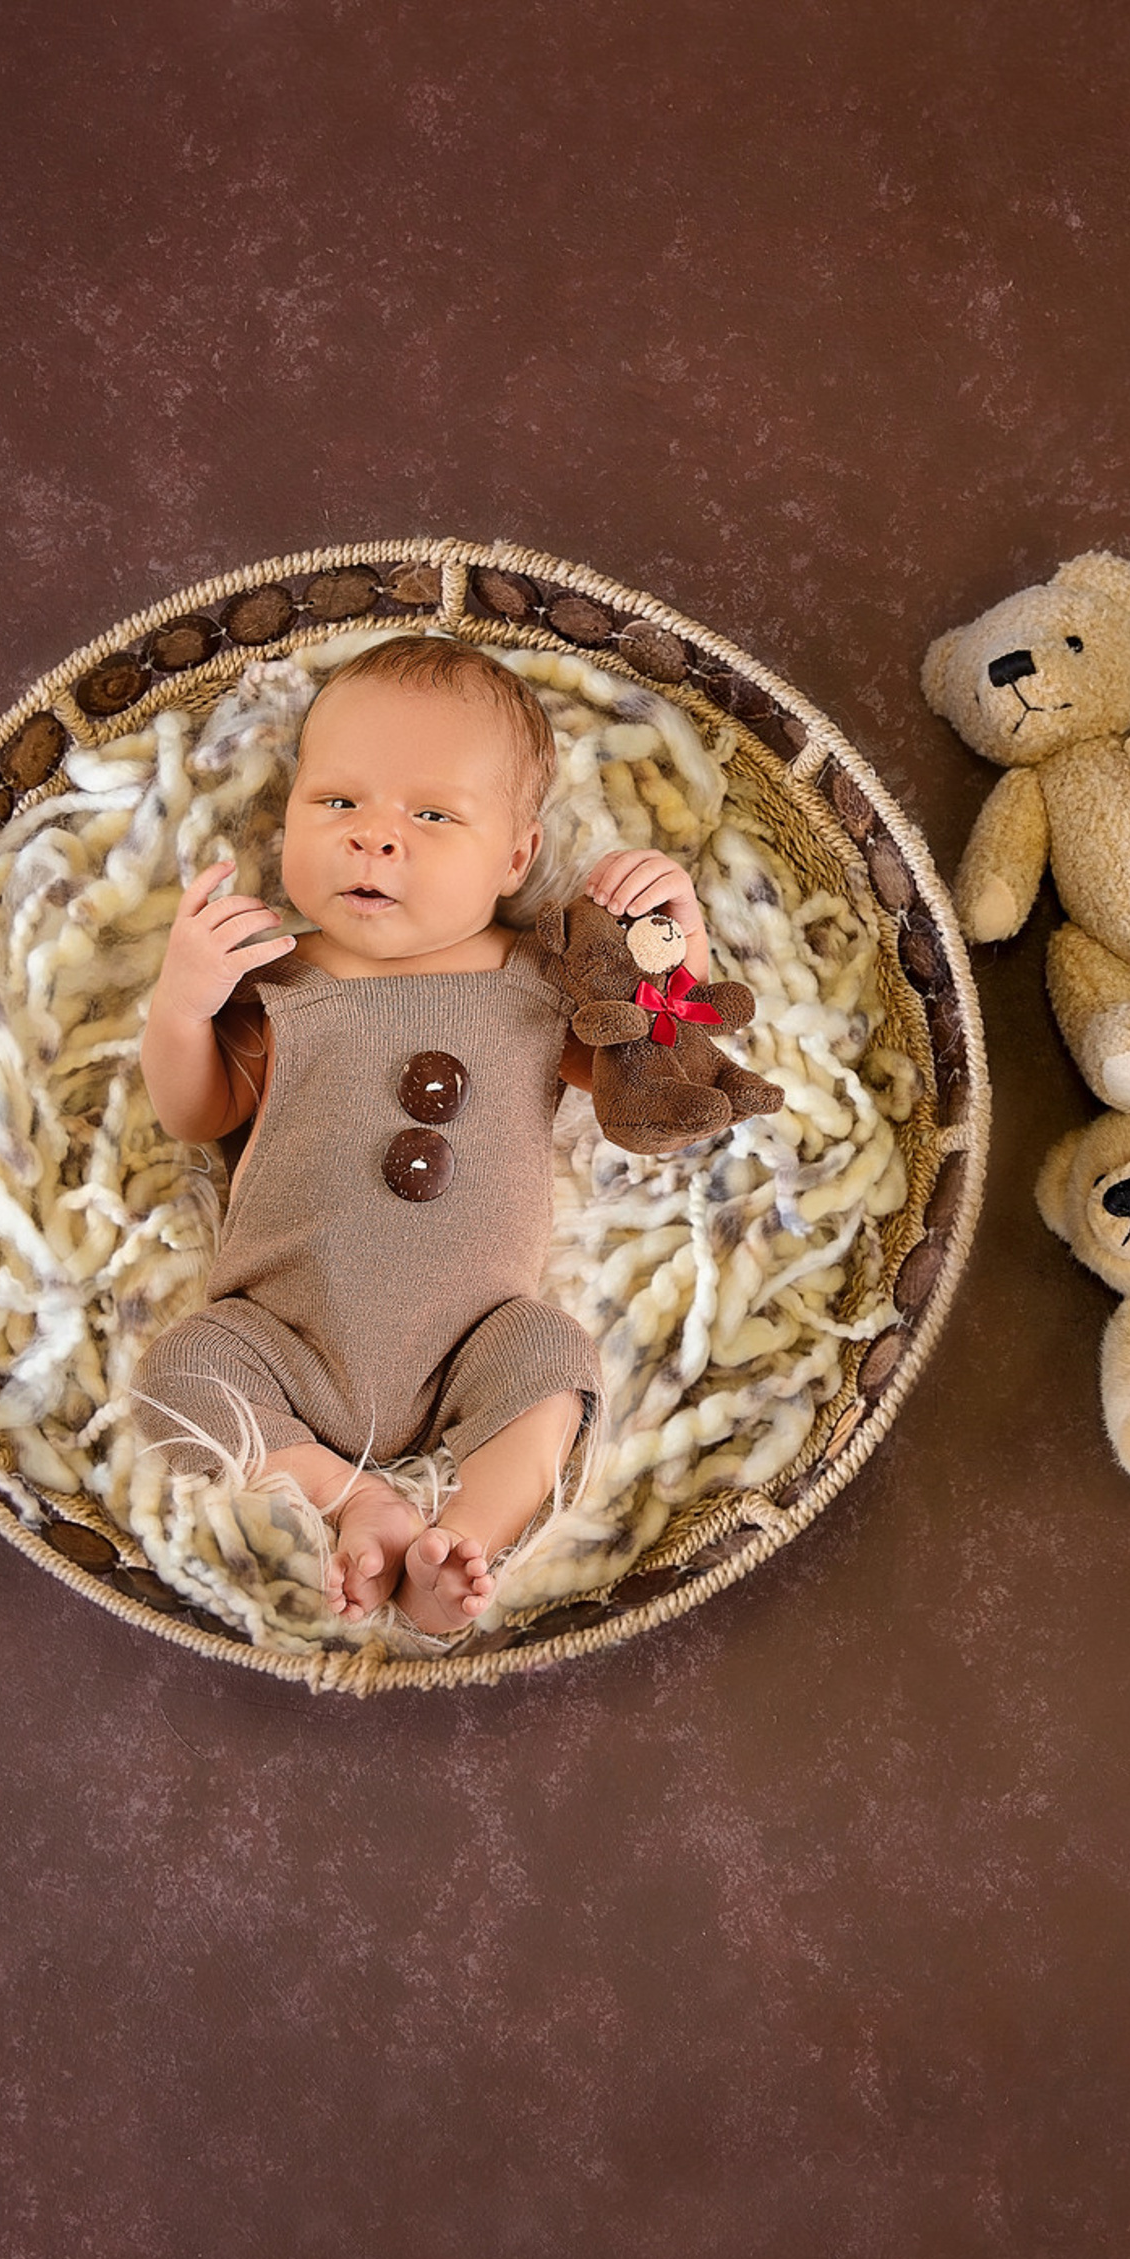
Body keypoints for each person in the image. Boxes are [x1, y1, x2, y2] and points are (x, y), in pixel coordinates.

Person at [131, 635, 711, 1635]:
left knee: (555, 1357)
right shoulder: (280, 980)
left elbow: (656, 1095)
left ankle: (467, 1543)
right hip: (280, 1341)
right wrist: (181, 1006)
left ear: (517, 857)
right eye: (338, 804)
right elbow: (197, 1114)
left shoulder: (539, 983)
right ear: (289, 819)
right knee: (180, 1371)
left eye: (432, 814)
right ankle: (355, 1501)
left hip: (476, 1345)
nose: (374, 839)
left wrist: (675, 947)